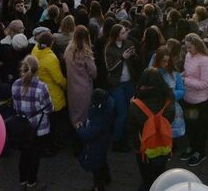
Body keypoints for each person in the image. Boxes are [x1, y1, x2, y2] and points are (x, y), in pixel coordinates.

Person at [127, 68, 175, 191]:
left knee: (145, 168)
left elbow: (131, 126)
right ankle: (160, 184)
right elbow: (170, 118)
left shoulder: (136, 104)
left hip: (143, 144)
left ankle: (147, 184)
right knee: (160, 167)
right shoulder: (168, 99)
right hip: (163, 142)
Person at [12, 55, 54, 191]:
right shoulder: (41, 87)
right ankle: (32, 182)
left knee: (24, 154)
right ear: (37, 69)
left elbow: (16, 107)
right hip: (38, 127)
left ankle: (22, 181)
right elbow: (49, 108)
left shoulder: (15, 84)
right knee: (35, 155)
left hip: (22, 126)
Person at [179, 33, 208, 167]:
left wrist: (184, 80)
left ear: (198, 46)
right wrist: (178, 76)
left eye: (190, 48)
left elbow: (205, 84)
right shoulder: (188, 55)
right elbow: (187, 72)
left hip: (200, 102)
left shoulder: (206, 60)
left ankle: (200, 152)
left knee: (200, 128)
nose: (188, 51)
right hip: (188, 99)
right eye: (186, 48)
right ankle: (192, 146)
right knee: (190, 125)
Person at [104, 23, 139, 152]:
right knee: (122, 112)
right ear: (117, 36)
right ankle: (117, 140)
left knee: (130, 110)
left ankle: (125, 135)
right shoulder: (109, 48)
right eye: (123, 32)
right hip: (116, 83)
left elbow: (136, 62)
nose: (126, 34)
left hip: (129, 81)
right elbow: (110, 68)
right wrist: (122, 58)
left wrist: (134, 55)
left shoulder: (129, 43)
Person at [31, 31, 68, 149]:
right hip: (53, 94)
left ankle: (46, 143)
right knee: (55, 122)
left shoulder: (35, 50)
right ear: (51, 43)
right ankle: (52, 145)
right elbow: (58, 79)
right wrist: (67, 85)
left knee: (46, 121)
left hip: (39, 91)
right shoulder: (51, 58)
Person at [76, 88, 114, 191]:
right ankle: (106, 177)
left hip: (95, 145)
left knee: (96, 167)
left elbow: (88, 134)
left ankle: (98, 187)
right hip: (103, 142)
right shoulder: (108, 107)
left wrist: (80, 128)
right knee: (102, 161)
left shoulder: (98, 117)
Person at [64, 25, 97, 128]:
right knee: (84, 113)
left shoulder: (68, 49)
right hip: (84, 87)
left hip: (71, 86)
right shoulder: (85, 52)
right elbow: (93, 72)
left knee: (74, 111)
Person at [152, 45, 185, 142]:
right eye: (163, 61)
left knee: (170, 136)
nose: (166, 64)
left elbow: (181, 91)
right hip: (155, 108)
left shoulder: (175, 73)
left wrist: (170, 94)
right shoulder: (152, 73)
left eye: (168, 61)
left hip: (171, 108)